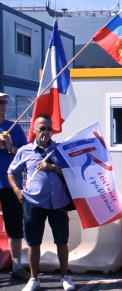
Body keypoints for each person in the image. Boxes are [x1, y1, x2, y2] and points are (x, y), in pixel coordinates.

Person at [7, 114, 75, 291]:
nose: (46, 132)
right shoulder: (25, 151)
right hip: (34, 202)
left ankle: (65, 277)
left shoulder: (60, 150)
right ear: (34, 130)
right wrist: (16, 190)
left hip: (58, 203)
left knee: (62, 241)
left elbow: (71, 172)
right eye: (42, 128)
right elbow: (12, 172)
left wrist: (52, 167)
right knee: (33, 241)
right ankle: (34, 279)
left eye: (49, 129)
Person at [0, 92, 30, 280]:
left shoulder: (14, 127)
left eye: (4, 102)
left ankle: (17, 267)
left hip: (11, 185)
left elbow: (26, 156)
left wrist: (10, 147)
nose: (3, 104)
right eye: (0, 102)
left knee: (14, 228)